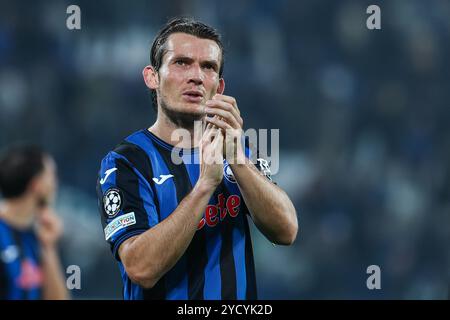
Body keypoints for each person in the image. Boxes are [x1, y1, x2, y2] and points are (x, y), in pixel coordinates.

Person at [96, 17, 298, 300]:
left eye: (208, 67)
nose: (197, 76)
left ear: (220, 86)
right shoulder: (127, 161)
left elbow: (286, 230)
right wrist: (205, 186)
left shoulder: (239, 149)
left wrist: (238, 160)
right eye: (182, 63)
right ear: (152, 76)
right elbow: (141, 268)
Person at [0, 144, 69, 300]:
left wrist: (48, 247)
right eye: (52, 175)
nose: (55, 183)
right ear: (36, 185)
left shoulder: (36, 236)